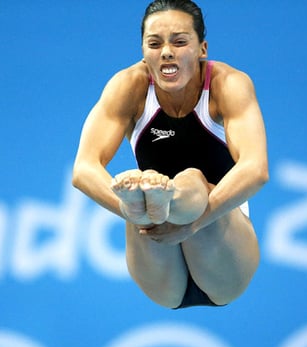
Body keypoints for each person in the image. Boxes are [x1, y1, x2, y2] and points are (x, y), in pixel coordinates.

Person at [72, 0, 268, 309]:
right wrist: (131, 212)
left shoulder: (228, 85)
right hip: (158, 258)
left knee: (191, 180)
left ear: (202, 48)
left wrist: (193, 223)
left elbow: (256, 169)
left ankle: (166, 198)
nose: (166, 52)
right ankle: (149, 204)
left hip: (225, 252)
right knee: (137, 192)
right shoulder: (129, 87)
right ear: (143, 50)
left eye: (179, 41)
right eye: (155, 43)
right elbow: (83, 170)